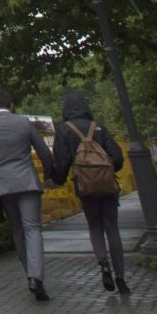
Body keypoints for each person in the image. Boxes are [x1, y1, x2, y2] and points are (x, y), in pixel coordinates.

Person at [0, 90, 57, 300]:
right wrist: (48, 176)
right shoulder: (24, 123)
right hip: (27, 181)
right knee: (33, 228)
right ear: (12, 104)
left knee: (17, 228)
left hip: (3, 185)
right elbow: (44, 152)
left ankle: (29, 273)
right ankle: (37, 277)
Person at [52, 92, 129, 295]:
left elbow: (61, 162)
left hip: (85, 187)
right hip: (107, 185)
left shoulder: (63, 131)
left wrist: (56, 180)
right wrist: (107, 172)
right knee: (112, 228)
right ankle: (121, 278)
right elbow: (118, 157)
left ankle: (103, 264)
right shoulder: (99, 127)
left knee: (94, 226)